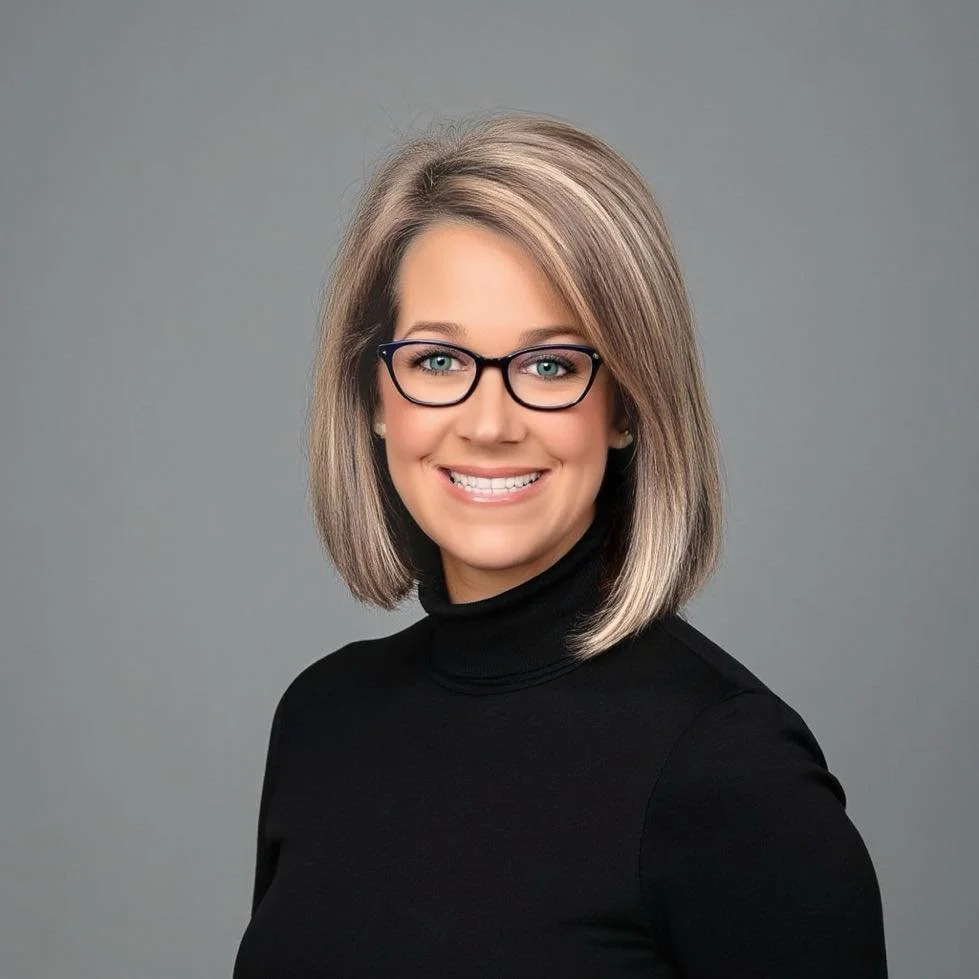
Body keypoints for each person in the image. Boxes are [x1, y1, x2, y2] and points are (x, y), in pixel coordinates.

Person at [232, 113, 888, 977]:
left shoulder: (728, 770)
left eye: (550, 366)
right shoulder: (322, 719)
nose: (489, 422)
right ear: (374, 398)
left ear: (624, 404)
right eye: (436, 360)